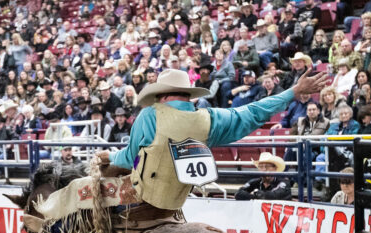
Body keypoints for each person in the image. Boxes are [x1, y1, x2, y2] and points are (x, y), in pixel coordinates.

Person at [96, 68, 327, 211]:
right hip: (176, 202)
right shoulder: (210, 120)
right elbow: (253, 113)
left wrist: (108, 156)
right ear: (189, 95)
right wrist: (292, 92)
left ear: (161, 95)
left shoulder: (149, 115)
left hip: (143, 198)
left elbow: (129, 158)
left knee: (94, 205)